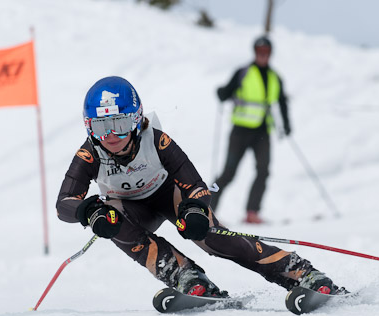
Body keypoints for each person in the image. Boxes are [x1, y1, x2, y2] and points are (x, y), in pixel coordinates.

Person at [56, 76, 344, 299]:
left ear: (135, 119)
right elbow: (64, 204)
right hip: (130, 209)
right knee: (112, 220)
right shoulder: (90, 153)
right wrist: (90, 211)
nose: (111, 135)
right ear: (88, 127)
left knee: (214, 238)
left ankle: (297, 272)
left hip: (168, 195)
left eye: (119, 123)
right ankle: (184, 275)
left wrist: (195, 209)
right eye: (101, 126)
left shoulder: (156, 140)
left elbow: (194, 184)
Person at [211, 35, 291, 224]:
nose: (263, 55)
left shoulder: (275, 77)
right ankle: (207, 208)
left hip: (262, 132)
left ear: (270, 54)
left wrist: (287, 124)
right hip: (240, 131)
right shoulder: (243, 72)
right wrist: (222, 93)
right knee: (228, 173)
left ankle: (252, 212)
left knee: (263, 171)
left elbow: (282, 102)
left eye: (266, 52)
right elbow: (227, 92)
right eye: (260, 52)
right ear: (255, 52)